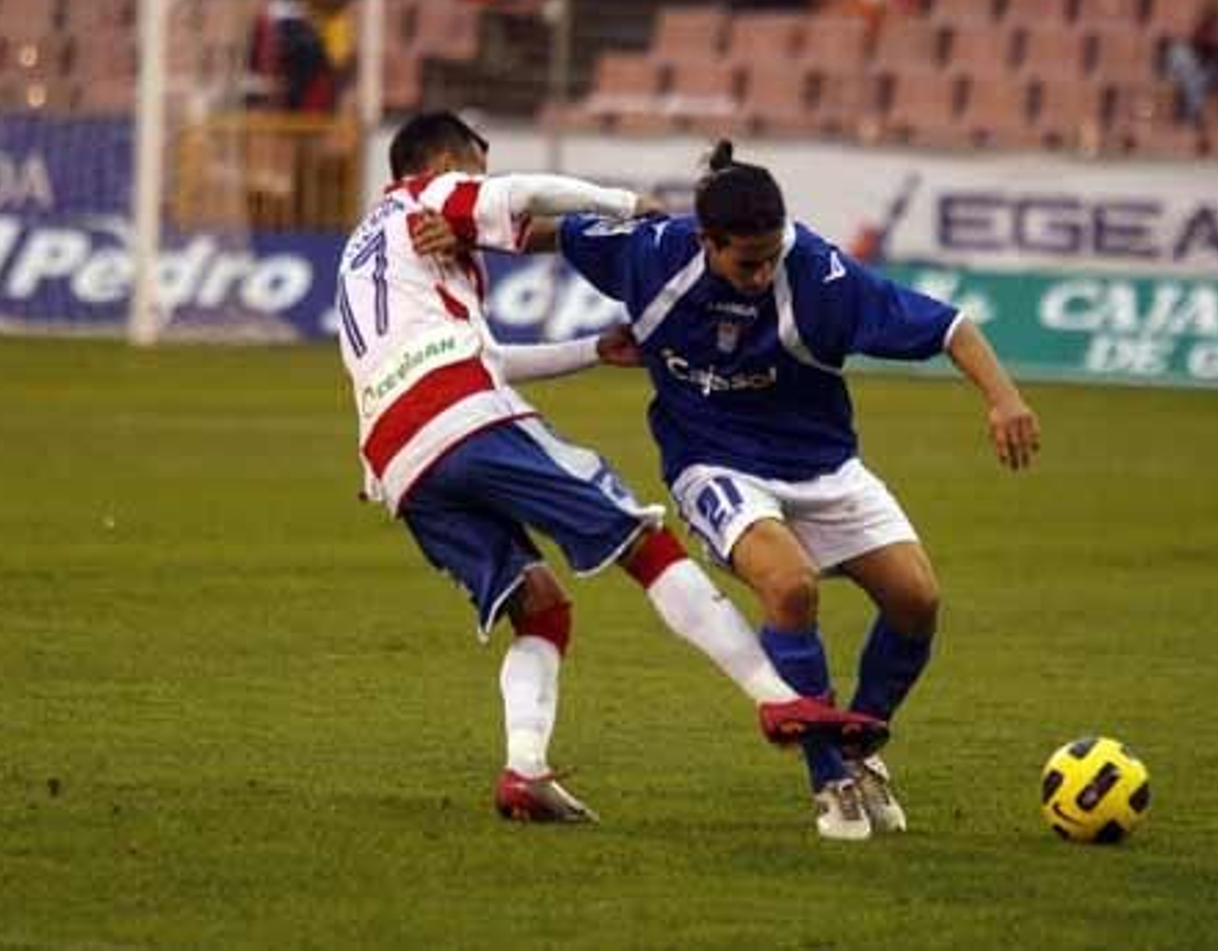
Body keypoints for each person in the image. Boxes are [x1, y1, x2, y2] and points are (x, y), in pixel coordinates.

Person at [420, 140, 1040, 840]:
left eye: (771, 255)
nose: (762, 272)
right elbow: (548, 228)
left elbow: (951, 327)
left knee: (917, 600)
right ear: (705, 241)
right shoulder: (652, 253)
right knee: (790, 587)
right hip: (713, 463)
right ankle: (828, 778)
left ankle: (859, 747)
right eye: (747, 261)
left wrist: (1004, 401)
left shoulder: (822, 277)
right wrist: (462, 232)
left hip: (824, 465)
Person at [338, 113, 885, 825]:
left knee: (540, 607)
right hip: (457, 412)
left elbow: (490, 359)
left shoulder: (366, 248)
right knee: (642, 540)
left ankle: (523, 770)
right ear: (444, 161)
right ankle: (776, 697)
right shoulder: (426, 196)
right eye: (477, 166)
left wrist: (595, 349)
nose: (482, 182)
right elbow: (529, 190)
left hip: (396, 458)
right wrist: (627, 205)